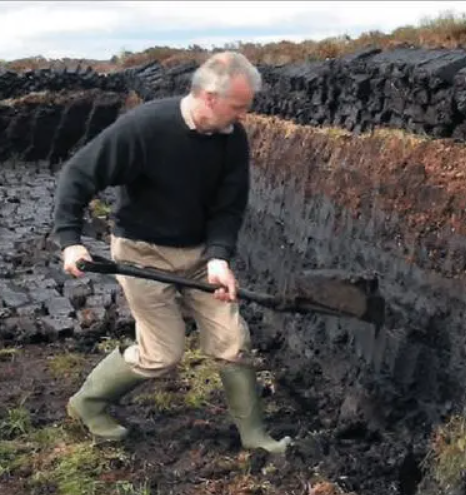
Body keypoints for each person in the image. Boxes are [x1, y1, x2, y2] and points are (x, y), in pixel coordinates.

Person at [52, 51, 291, 454]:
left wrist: (218, 255)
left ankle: (255, 436)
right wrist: (70, 240)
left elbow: (229, 206)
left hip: (199, 257)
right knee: (162, 353)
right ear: (210, 98)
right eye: (239, 107)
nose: (244, 116)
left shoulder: (232, 139)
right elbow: (78, 175)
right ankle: (87, 404)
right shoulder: (145, 128)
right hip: (142, 254)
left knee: (232, 340)